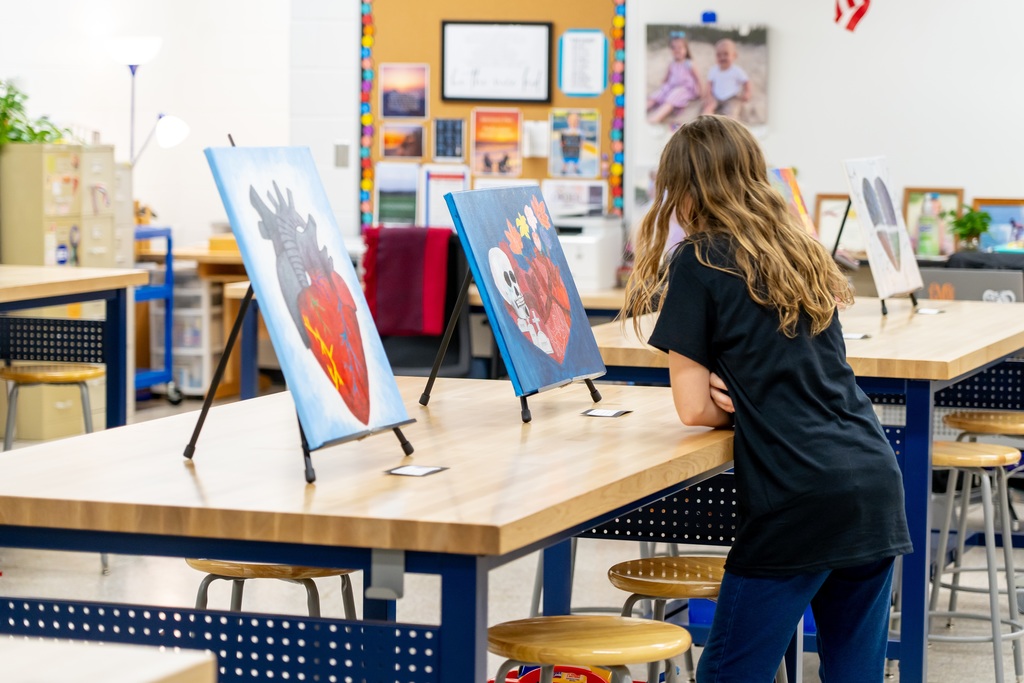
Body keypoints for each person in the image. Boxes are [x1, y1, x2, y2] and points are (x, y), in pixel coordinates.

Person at [623, 115, 912, 682]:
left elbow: (692, 409)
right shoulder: (799, 251)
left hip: (796, 496)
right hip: (873, 483)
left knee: (730, 673)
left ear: (682, 190)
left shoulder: (698, 261)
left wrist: (725, 391)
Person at [647, 31, 703, 125]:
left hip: (684, 88)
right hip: (671, 86)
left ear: (686, 49)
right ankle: (642, 108)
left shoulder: (689, 63)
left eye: (680, 47)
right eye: (673, 47)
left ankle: (654, 119)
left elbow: (698, 78)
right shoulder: (672, 64)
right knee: (659, 93)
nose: (676, 50)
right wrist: (663, 85)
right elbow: (667, 77)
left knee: (673, 97)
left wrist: (700, 91)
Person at [702, 38, 751, 119]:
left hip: (732, 97)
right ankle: (705, 121)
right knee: (708, 107)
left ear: (734, 55)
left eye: (726, 54)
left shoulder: (736, 70)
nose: (722, 57)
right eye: (719, 55)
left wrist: (747, 93)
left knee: (731, 112)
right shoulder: (713, 70)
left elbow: (746, 82)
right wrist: (709, 96)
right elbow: (709, 84)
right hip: (716, 96)